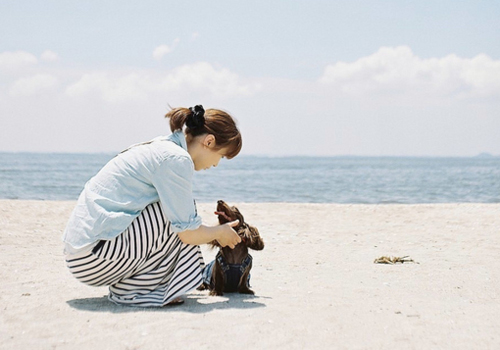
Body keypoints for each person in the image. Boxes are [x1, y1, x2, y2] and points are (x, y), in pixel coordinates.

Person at [62, 105, 242, 307]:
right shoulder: (176, 159)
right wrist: (219, 233)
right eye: (221, 156)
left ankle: (145, 285)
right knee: (182, 217)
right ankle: (133, 291)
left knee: (180, 211)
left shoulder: (163, 146)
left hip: (81, 253)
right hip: (93, 257)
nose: (216, 164)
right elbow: (188, 234)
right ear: (209, 141)